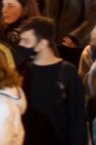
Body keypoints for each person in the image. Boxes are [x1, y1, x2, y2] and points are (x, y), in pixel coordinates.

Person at [17, 16, 88, 145]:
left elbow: (78, 121)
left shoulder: (68, 73)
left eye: (26, 41)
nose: (21, 45)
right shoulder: (22, 71)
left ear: (42, 43)